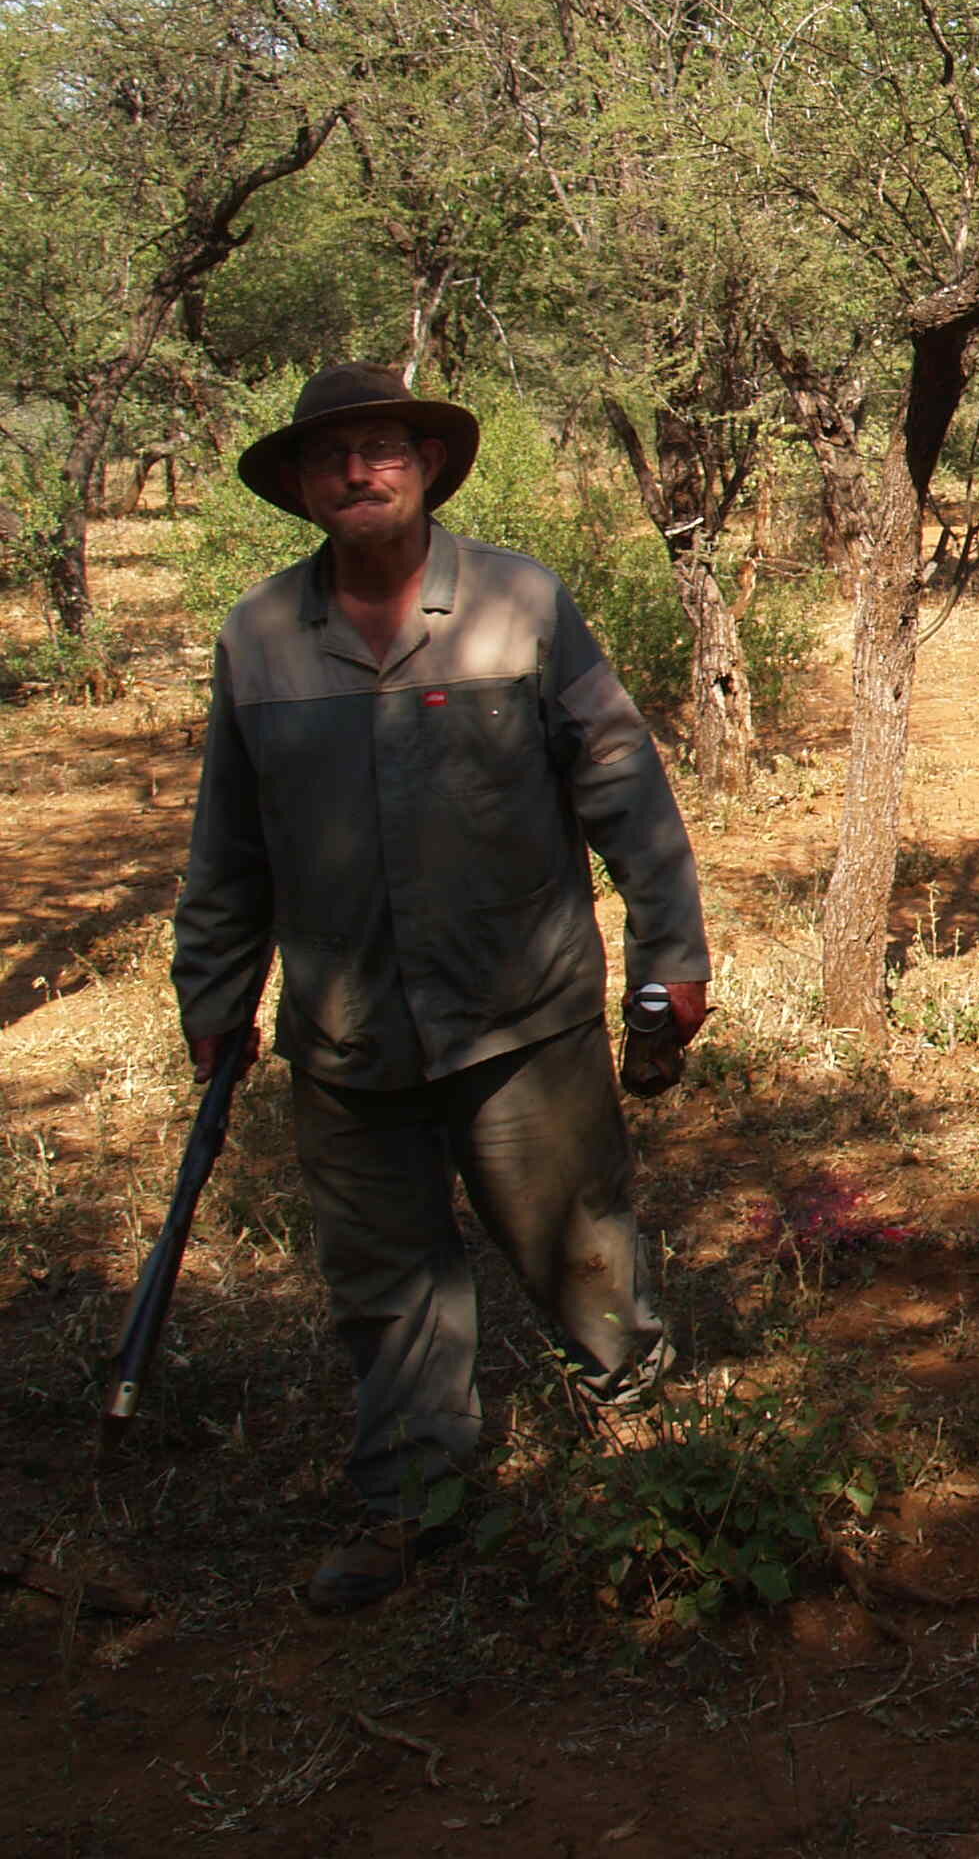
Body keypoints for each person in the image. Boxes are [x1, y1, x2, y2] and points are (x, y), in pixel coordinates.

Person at [170, 364, 712, 1614]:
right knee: (385, 1277)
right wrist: (214, 989)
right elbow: (229, 837)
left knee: (579, 1241)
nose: (358, 473)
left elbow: (621, 780)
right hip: (344, 1031)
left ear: (425, 468)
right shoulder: (258, 634)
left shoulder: (519, 602)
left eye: (383, 450)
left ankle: (646, 1458)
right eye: (331, 459)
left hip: (518, 1014)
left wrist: (669, 955)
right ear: (302, 490)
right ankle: (410, 1501)